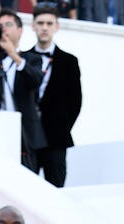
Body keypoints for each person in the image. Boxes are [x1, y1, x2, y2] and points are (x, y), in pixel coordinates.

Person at [0, 9, 47, 171]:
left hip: (24, 132)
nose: (4, 29)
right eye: (0, 25)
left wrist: (14, 55)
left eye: (8, 25)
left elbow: (35, 81)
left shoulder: (32, 58)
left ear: (20, 31)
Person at [27, 5, 82, 188]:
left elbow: (75, 102)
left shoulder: (69, 61)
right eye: (40, 23)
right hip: (28, 140)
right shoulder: (22, 58)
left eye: (49, 23)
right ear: (33, 26)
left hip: (56, 140)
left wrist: (62, 126)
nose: (44, 27)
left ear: (56, 27)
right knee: (24, 190)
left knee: (56, 190)